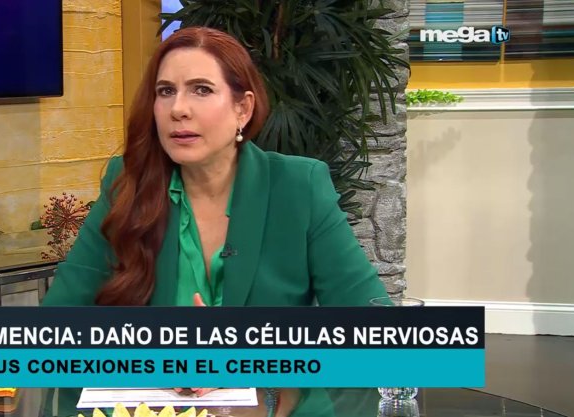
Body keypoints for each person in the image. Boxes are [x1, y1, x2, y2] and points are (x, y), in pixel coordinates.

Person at [41, 26, 388, 416]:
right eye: (165, 91)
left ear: (243, 109)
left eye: (201, 90)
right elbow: (57, 325)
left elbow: (375, 330)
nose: (178, 109)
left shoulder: (298, 187)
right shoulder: (127, 185)